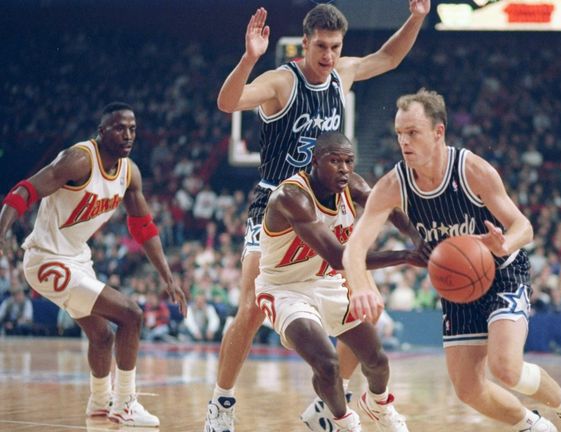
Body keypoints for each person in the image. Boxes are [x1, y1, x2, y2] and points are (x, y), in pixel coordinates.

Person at [207, 2, 431, 431]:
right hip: (278, 204)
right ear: (304, 43)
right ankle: (221, 404)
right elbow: (227, 101)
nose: (329, 55)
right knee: (251, 308)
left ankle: (331, 404)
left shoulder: (341, 73)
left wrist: (417, 17)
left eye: (335, 47)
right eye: (321, 46)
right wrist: (250, 58)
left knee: (356, 301)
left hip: (328, 203)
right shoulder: (280, 82)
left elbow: (388, 58)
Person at [341, 89, 561, 432]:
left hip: (502, 274)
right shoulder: (393, 184)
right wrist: (363, 287)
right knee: (468, 389)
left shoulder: (472, 170)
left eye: (413, 132)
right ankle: (532, 426)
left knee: (505, 368)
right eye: (399, 134)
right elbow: (354, 248)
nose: (403, 141)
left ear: (438, 132)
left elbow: (524, 227)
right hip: (458, 288)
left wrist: (503, 244)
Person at [0, 102, 187, 427]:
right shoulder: (79, 159)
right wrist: (3, 226)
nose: (127, 135)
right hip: (47, 260)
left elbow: (143, 226)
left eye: (132, 128)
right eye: (119, 128)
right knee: (131, 315)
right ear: (102, 132)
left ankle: (100, 403)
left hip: (77, 259)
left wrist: (167, 276)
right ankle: (125, 404)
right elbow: (28, 188)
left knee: (102, 336)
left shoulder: (130, 172)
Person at [254, 132, 418, 431]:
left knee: (377, 360)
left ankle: (378, 405)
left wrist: (421, 238)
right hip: (284, 290)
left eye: (348, 161)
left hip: (326, 284)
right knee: (328, 364)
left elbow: (388, 209)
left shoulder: (351, 185)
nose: (343, 168)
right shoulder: (292, 197)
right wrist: (407, 254)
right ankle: (343, 422)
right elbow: (339, 257)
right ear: (315, 161)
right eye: (334, 160)